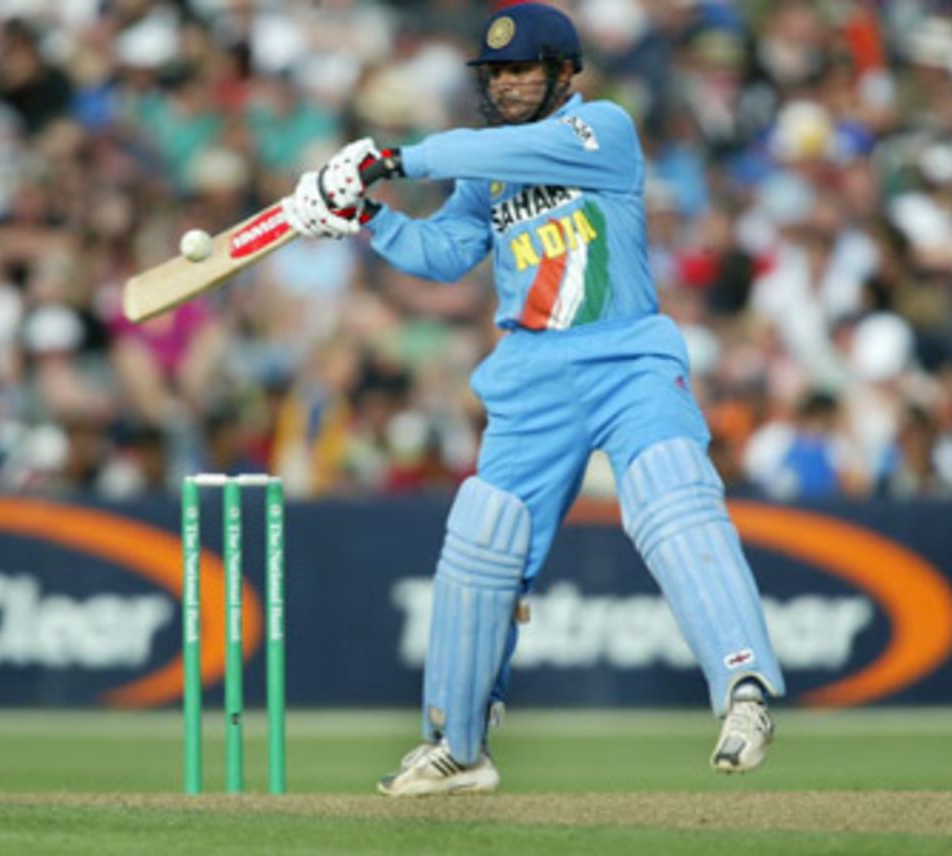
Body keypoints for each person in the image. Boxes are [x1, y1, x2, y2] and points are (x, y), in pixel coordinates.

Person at [282, 2, 786, 797]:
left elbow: (482, 149)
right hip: (530, 376)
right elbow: (447, 254)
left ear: (561, 73)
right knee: (482, 542)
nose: (509, 84)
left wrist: (388, 156)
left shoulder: (603, 131)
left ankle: (745, 689)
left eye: (523, 70)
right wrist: (366, 217)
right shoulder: (486, 168)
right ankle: (458, 745)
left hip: (626, 356)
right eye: (497, 74)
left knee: (673, 497)